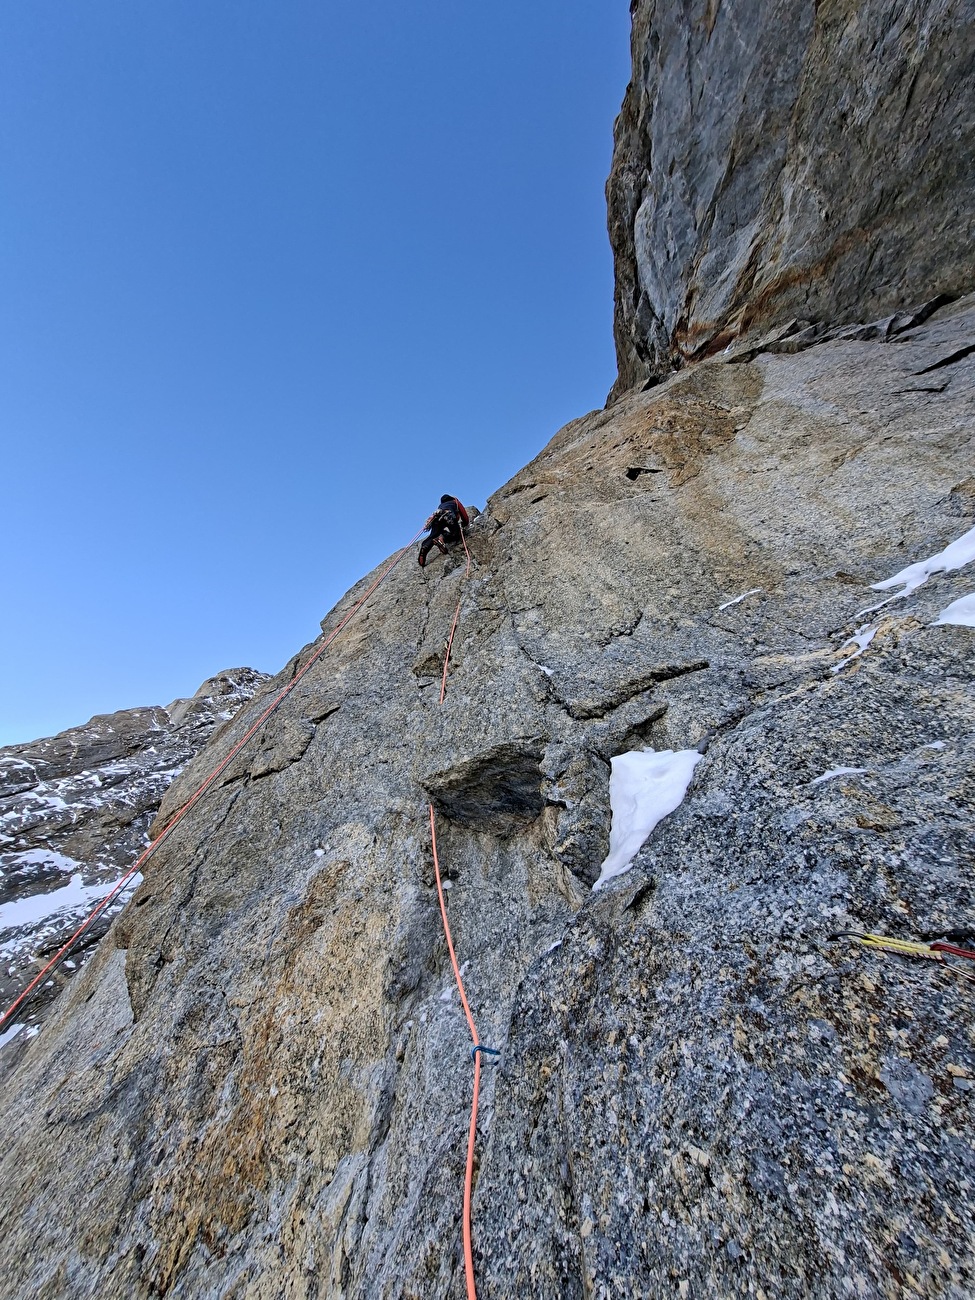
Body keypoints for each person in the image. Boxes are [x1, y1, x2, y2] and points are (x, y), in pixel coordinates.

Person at [418, 495, 470, 566]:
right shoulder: (455, 502)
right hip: (449, 516)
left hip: (437, 517)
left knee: (433, 535)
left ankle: (425, 547)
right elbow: (464, 515)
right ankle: (442, 538)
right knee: (456, 534)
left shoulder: (441, 506)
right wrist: (465, 523)